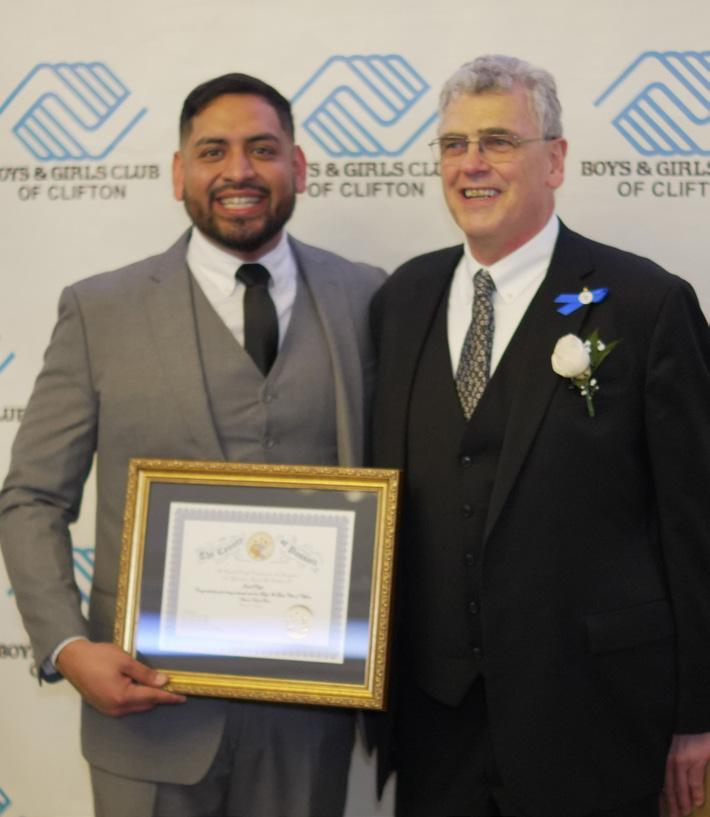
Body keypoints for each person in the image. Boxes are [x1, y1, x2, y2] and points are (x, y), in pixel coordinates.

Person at [0, 73, 385, 817]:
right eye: (214, 151)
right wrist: (69, 648)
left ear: (299, 167)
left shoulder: (366, 296)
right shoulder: (100, 309)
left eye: (262, 149)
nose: (239, 171)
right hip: (145, 714)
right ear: (180, 173)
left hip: (309, 720)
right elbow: (32, 496)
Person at [369, 55, 710, 817]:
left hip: (595, 722)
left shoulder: (647, 304)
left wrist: (698, 713)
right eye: (454, 144)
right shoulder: (401, 298)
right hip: (435, 728)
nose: (472, 163)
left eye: (498, 140)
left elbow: (695, 525)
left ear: (554, 160)